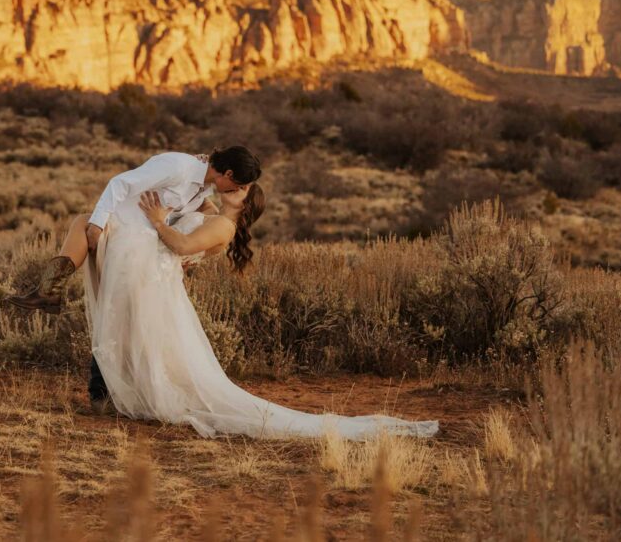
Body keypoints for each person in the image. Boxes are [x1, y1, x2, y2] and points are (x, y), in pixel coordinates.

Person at [83, 184, 439, 440]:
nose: (235, 186)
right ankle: (113, 392)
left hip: (156, 285)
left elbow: (182, 245)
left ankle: (114, 395)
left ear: (246, 201)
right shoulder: (214, 215)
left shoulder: (224, 226)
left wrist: (158, 221)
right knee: (136, 338)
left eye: (241, 189)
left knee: (144, 342)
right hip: (153, 284)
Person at [8, 147, 262, 412]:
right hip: (131, 246)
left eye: (242, 189)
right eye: (239, 185)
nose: (235, 190)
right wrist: (99, 223)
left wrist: (170, 231)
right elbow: (120, 183)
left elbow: (193, 239)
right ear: (229, 173)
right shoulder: (180, 167)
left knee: (119, 320)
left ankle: (106, 389)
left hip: (141, 254)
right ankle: (51, 291)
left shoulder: (207, 195)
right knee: (117, 314)